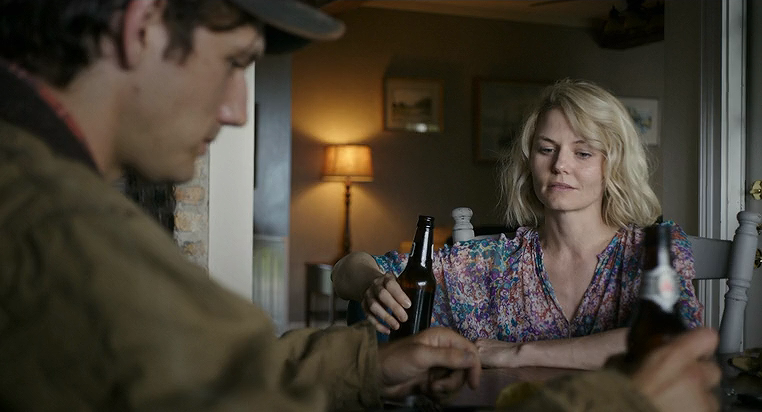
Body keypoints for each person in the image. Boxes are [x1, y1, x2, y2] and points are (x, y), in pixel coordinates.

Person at [0, 1, 719, 411]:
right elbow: (241, 385)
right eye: (237, 61)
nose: (237, 110)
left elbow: (224, 371)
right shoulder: (58, 226)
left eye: (585, 152)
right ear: (142, 26)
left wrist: (378, 366)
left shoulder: (653, 249)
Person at [332, 79, 703, 370]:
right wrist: (372, 282)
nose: (560, 165)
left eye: (583, 152)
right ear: (529, 161)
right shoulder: (488, 263)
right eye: (546, 149)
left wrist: (519, 352)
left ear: (614, 165)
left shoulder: (655, 249)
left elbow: (671, 340)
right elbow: (345, 270)